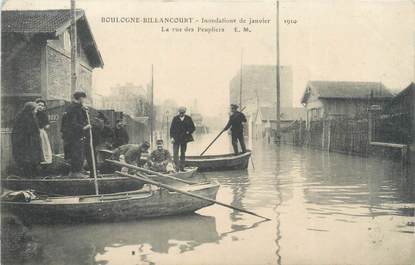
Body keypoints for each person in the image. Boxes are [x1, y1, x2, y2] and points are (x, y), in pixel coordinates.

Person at [61, 91, 91, 178]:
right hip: (73, 136)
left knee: (80, 152)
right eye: (84, 98)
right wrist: (84, 128)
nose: (84, 100)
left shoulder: (78, 108)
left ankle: (79, 170)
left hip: (77, 135)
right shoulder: (72, 108)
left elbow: (82, 119)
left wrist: (85, 112)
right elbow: (72, 124)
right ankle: (75, 172)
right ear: (80, 98)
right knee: (76, 153)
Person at [11, 102, 43, 177]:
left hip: (30, 142)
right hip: (26, 143)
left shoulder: (29, 116)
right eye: (35, 110)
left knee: (31, 159)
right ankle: (29, 176)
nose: (36, 111)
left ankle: (31, 175)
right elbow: (25, 131)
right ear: (31, 109)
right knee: (28, 159)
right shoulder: (25, 117)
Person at [170, 106, 195, 171]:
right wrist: (172, 137)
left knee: (183, 153)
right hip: (176, 139)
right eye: (180, 113)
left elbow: (193, 128)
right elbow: (171, 129)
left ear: (184, 112)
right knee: (175, 153)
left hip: (184, 139)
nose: (181, 114)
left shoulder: (188, 118)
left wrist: (188, 132)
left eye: (182, 113)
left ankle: (182, 167)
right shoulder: (175, 118)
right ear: (179, 112)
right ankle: (176, 168)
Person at [35, 98, 52, 165]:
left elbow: (47, 124)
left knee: (44, 145)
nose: (40, 107)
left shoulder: (43, 114)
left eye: (42, 106)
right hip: (33, 132)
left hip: (41, 131)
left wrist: (46, 125)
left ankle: (45, 160)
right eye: (39, 105)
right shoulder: (33, 114)